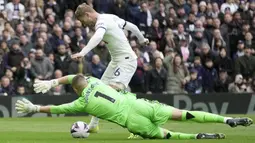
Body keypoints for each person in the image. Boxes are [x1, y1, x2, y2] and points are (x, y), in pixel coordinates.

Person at [15, 74, 253, 140]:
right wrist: (56, 81)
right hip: (141, 105)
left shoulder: (81, 101)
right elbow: (74, 77)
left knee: (167, 134)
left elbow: (57, 109)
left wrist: (35, 108)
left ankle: (198, 137)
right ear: (86, 80)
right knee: (184, 114)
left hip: (133, 121)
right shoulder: (96, 81)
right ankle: (226, 120)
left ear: (77, 90)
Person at [71, 3, 149, 135]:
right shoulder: (110, 17)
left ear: (87, 15)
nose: (84, 24)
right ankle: (94, 125)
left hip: (126, 61)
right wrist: (142, 39)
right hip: (116, 62)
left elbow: (98, 36)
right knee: (97, 90)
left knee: (113, 90)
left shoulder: (101, 23)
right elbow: (133, 27)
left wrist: (83, 52)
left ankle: (141, 123)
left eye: (82, 21)